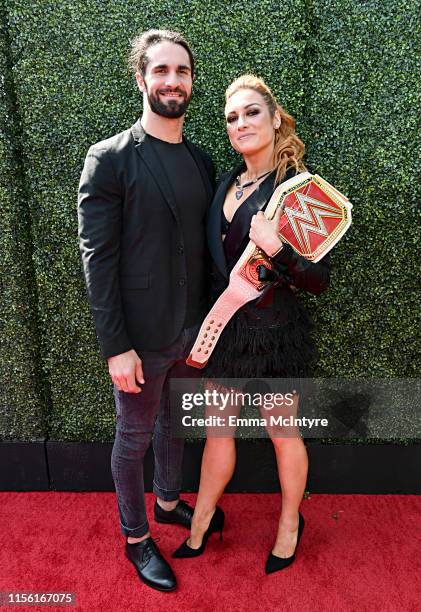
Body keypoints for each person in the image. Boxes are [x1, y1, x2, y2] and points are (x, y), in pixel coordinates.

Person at [172, 75, 330, 574]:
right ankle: (202, 522)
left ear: (275, 117)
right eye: (232, 117)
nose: (240, 123)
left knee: (284, 435)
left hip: (273, 335)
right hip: (226, 334)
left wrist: (278, 245)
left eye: (251, 113)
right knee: (218, 433)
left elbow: (319, 281)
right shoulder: (223, 183)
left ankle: (289, 525)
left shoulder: (299, 191)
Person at [78, 29, 215, 592]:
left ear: (190, 83)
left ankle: (166, 502)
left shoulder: (203, 160)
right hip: (137, 335)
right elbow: (97, 260)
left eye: (181, 72)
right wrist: (115, 345)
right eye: (161, 71)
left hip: (192, 329)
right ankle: (137, 539)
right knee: (133, 438)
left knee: (175, 427)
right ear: (141, 79)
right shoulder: (109, 158)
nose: (172, 81)